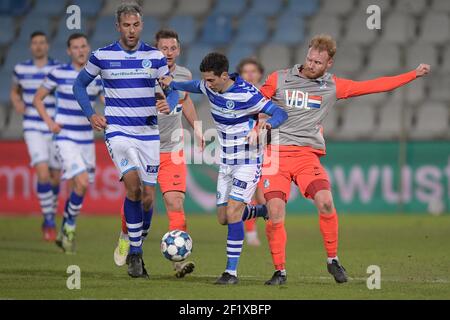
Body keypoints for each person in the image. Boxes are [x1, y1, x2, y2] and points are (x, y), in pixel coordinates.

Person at [259, 34, 431, 285]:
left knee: (326, 202)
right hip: (274, 154)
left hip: (307, 155)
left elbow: (375, 85)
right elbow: (256, 102)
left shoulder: (333, 86)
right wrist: (259, 120)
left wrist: (412, 74)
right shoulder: (279, 78)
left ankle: (333, 260)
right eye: (309, 59)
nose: (311, 65)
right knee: (275, 212)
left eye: (318, 62)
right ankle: (280, 271)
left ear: (329, 64)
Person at [159, 52, 288, 285]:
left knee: (233, 212)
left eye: (211, 80)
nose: (207, 84)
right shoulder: (210, 86)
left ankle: (231, 273)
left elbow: (281, 112)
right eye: (205, 80)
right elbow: (194, 86)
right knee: (223, 217)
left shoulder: (247, 94)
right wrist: (173, 83)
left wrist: (268, 125)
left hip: (248, 161)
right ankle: (261, 211)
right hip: (226, 162)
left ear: (224, 75)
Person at [72, 2, 176, 278]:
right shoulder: (102, 56)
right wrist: (91, 114)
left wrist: (171, 102)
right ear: (118, 27)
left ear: (141, 26)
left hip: (149, 134)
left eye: (136, 25)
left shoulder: (154, 57)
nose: (131, 30)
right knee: (133, 187)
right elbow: (78, 85)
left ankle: (134, 241)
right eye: (126, 25)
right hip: (118, 131)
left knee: (147, 198)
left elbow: (172, 88)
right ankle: (136, 254)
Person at [113, 29, 204, 278]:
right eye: (164, 48)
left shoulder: (183, 74)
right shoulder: (143, 72)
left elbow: (185, 100)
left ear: (179, 50)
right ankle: (127, 235)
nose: (169, 53)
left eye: (173, 48)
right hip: (144, 148)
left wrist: (197, 129)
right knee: (143, 200)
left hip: (172, 150)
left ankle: (179, 262)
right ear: (155, 50)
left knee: (176, 203)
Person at [33, 33, 104, 254]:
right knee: (81, 182)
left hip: (86, 138)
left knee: (79, 187)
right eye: (76, 47)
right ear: (69, 51)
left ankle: (65, 229)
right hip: (65, 136)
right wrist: (49, 122)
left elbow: (107, 101)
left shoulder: (96, 77)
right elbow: (37, 99)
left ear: (88, 48)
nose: (80, 50)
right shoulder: (58, 73)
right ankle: (69, 228)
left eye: (83, 46)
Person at [10, 31, 61, 241]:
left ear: (47, 46)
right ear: (31, 47)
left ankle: (50, 210)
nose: (38, 46)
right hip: (33, 125)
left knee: (56, 178)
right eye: (35, 43)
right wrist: (17, 102)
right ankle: (48, 219)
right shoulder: (20, 69)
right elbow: (14, 90)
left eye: (42, 42)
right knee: (42, 173)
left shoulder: (56, 68)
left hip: (55, 126)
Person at [236, 57, 266, 246]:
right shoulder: (235, 94)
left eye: (253, 71)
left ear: (260, 74)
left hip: (267, 149)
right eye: (246, 71)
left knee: (264, 196)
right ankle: (251, 233)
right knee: (247, 194)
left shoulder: (267, 94)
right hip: (243, 150)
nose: (250, 74)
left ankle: (267, 229)